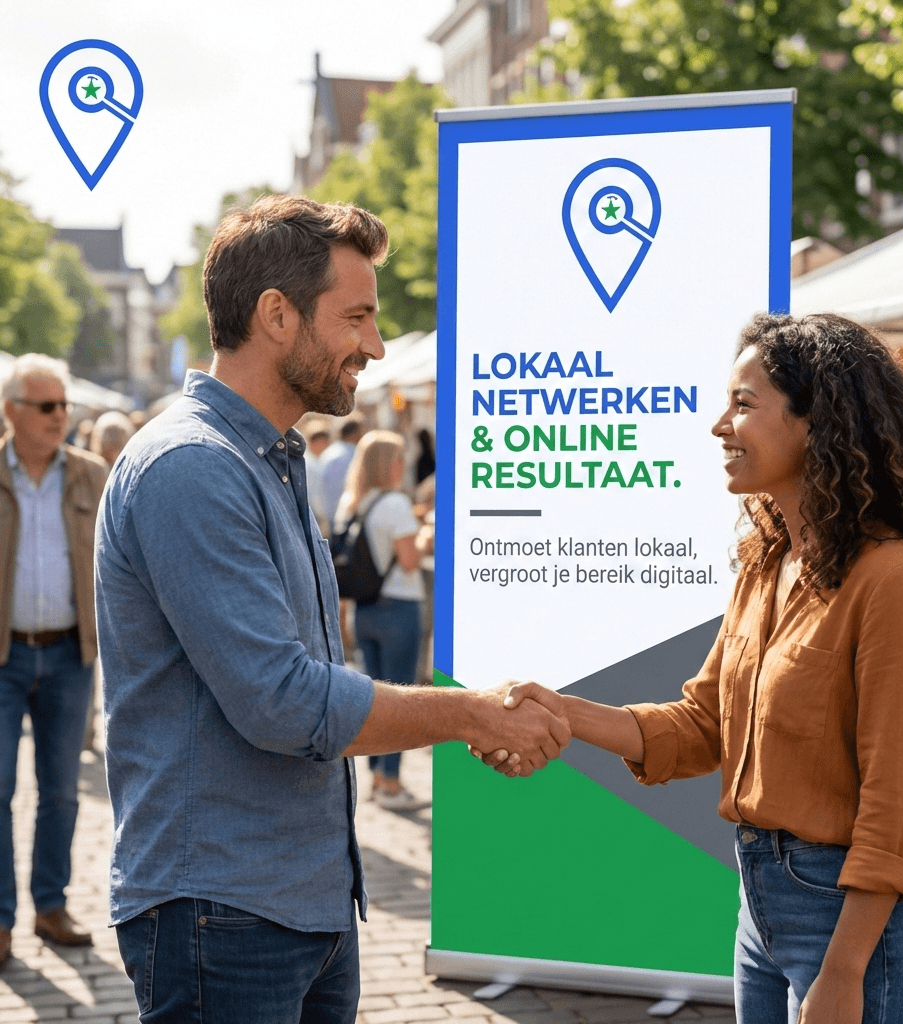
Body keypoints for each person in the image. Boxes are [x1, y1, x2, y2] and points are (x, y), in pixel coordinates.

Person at [94, 193, 569, 1023]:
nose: (375, 346)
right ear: (276, 314)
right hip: (225, 908)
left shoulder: (271, 459)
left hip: (300, 899)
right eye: (356, 317)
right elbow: (282, 700)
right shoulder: (192, 466)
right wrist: (470, 714)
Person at [480, 313, 903, 1024]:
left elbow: (901, 801)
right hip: (760, 908)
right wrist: (560, 710)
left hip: (859, 929)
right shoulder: (766, 563)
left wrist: (844, 970)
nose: (718, 426)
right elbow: (703, 726)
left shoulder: (892, 578)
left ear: (817, 422)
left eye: (743, 404)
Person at [0, 354, 108, 966]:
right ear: (11, 411)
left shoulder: (91, 474)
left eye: (64, 404)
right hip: (4, 655)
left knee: (62, 792)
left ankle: (51, 905)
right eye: (47, 406)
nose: (60, 416)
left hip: (71, 654)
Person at [336, 430, 429, 810]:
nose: (404, 466)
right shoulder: (395, 503)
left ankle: (376, 778)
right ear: (388, 464)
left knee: (373, 701)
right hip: (399, 607)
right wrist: (425, 535)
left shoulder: (352, 502)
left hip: (365, 609)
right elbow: (409, 560)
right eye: (400, 459)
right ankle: (391, 783)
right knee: (402, 700)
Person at [321, 413, 366, 524]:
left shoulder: (329, 452)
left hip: (330, 515)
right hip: (347, 517)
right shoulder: (353, 455)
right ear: (356, 433)